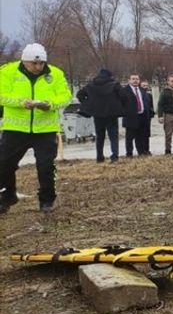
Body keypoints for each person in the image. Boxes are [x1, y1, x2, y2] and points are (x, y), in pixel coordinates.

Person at [0, 44, 72, 214]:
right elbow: (2, 95)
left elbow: (65, 96)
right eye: (34, 64)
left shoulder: (55, 73)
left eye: (41, 64)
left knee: (46, 165)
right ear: (24, 61)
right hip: (16, 128)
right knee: (4, 163)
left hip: (45, 129)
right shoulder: (7, 72)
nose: (38, 67)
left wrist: (50, 104)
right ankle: (7, 196)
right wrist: (21, 103)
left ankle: (47, 200)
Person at [77, 68, 126, 163]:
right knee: (113, 136)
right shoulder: (114, 85)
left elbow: (79, 95)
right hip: (112, 114)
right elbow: (123, 96)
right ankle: (114, 156)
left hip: (97, 114)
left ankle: (99, 157)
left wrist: (89, 104)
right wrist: (119, 105)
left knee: (100, 136)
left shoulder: (91, 85)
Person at [122, 74, 154, 157]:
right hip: (130, 117)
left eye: (137, 79)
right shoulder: (124, 91)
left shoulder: (142, 90)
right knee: (129, 137)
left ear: (139, 80)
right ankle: (129, 153)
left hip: (142, 116)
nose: (135, 81)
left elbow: (146, 102)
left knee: (141, 136)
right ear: (129, 80)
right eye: (133, 79)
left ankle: (141, 152)